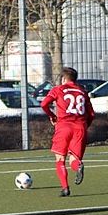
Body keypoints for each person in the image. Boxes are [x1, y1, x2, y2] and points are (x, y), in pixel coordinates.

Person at [40, 67, 95, 197]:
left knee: (60, 159)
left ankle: (65, 188)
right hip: (80, 127)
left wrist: (52, 116)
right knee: (74, 159)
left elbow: (44, 104)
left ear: (64, 79)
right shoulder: (83, 91)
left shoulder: (58, 89)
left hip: (64, 126)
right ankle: (78, 166)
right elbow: (91, 114)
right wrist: (84, 126)